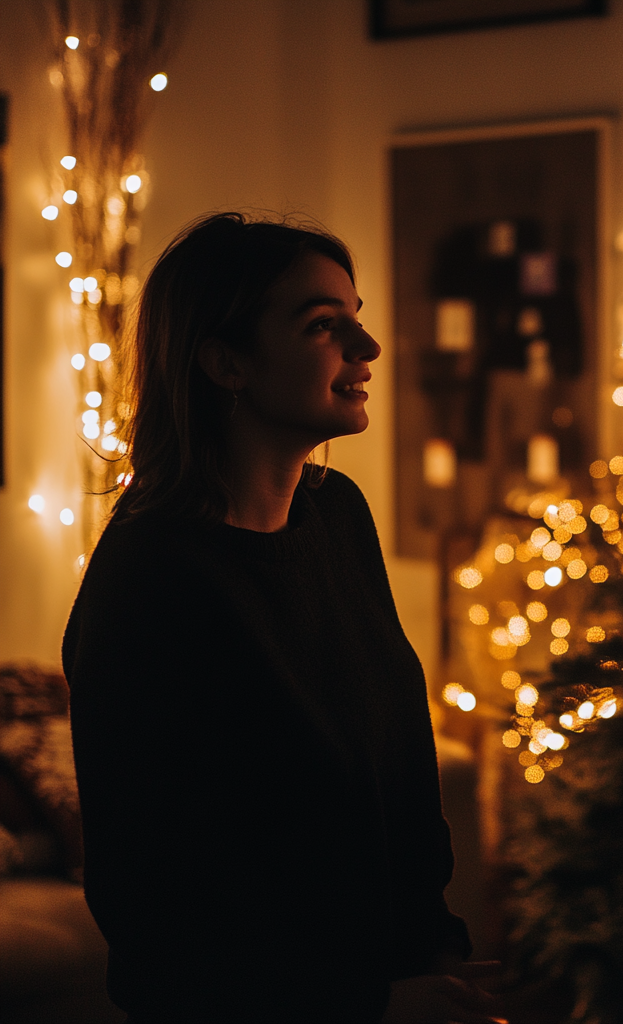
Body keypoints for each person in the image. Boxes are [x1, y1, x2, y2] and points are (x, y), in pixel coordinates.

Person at [63, 213, 503, 1024]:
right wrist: (365, 1006)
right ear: (226, 361)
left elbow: (401, 778)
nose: (366, 350)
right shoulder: (150, 583)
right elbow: (157, 908)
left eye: (356, 317)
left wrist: (436, 953)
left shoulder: (337, 518)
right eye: (323, 327)